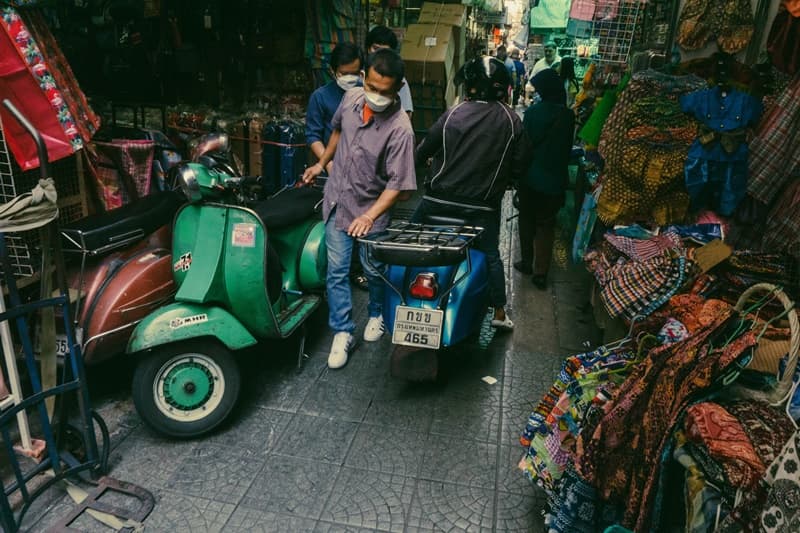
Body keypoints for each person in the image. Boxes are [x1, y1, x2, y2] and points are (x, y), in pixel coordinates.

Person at [301, 49, 416, 369]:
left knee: (372, 270)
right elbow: (336, 130)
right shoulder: (351, 98)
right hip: (338, 199)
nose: (376, 97)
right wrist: (321, 163)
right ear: (364, 78)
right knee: (336, 271)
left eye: (385, 92)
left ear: (398, 88)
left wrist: (369, 215)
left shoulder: (400, 129)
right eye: (372, 88)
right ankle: (343, 331)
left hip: (371, 210)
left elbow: (397, 185)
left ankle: (377, 313)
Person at [412, 57, 529, 331]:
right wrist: (507, 181)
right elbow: (522, 163)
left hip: (435, 202)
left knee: (410, 240)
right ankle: (499, 312)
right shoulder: (511, 120)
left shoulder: (453, 113)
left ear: (469, 85)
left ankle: (382, 306)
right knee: (490, 254)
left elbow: (423, 150)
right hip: (482, 209)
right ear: (504, 88)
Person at [304, 42, 369, 291]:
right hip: (333, 170)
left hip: (363, 172)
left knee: (363, 224)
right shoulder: (321, 97)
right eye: (345, 73)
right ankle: (337, 273)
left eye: (356, 72)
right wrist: (327, 164)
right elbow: (313, 135)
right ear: (333, 71)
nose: (350, 78)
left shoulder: (370, 95)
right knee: (338, 223)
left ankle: (360, 270)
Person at [516, 68, 575, 289]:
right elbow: (567, 149)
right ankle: (541, 272)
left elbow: (523, 146)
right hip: (554, 182)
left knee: (526, 219)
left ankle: (526, 262)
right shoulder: (568, 116)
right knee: (546, 225)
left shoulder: (533, 113)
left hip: (530, 179)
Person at [365, 25, 413, 119]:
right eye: (376, 49)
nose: (380, 55)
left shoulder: (397, 79)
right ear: (368, 48)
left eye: (385, 51)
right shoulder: (359, 74)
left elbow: (407, 114)